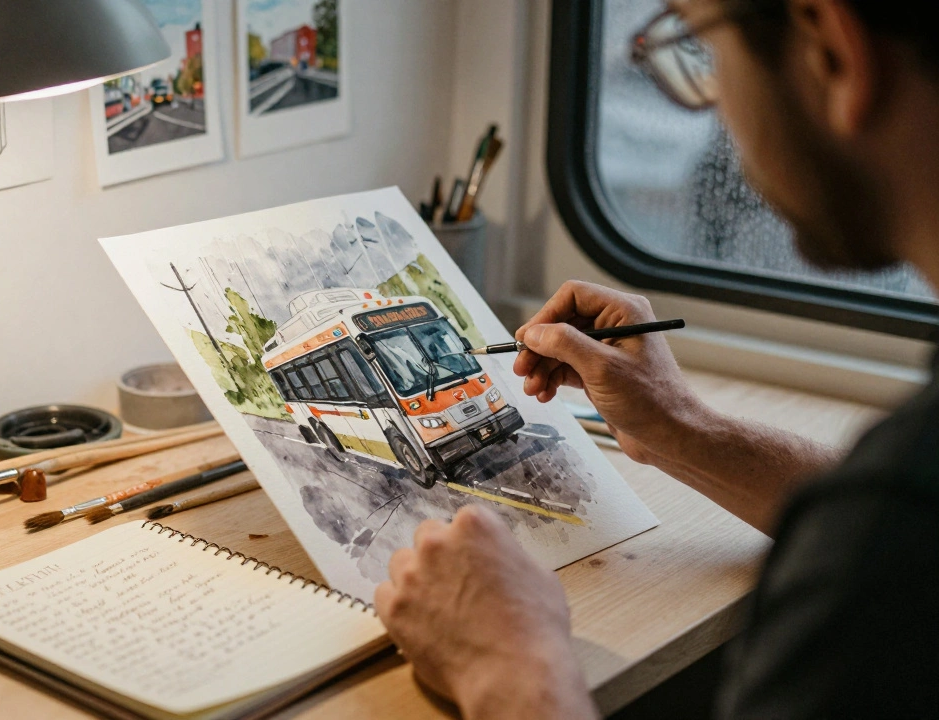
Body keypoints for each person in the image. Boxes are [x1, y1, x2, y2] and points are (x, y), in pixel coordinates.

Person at [374, 0, 939, 717]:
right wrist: (677, 426)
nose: (717, 114)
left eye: (702, 52)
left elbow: (888, 529)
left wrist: (508, 668)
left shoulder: (892, 538)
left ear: (832, 49)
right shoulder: (896, 507)